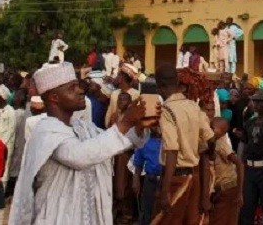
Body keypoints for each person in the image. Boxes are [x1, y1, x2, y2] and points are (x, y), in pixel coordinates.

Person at [9, 62, 158, 225]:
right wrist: (125, 123)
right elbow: (79, 156)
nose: (80, 90)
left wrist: (139, 126)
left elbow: (113, 144)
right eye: (72, 88)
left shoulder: (84, 128)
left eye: (78, 85)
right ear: (54, 98)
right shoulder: (45, 131)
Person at [154, 64, 215, 225]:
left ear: (160, 86)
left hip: (176, 178)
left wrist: (165, 190)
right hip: (194, 178)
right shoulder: (193, 106)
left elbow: (172, 150)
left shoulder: (166, 110)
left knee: (168, 220)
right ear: (177, 82)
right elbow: (210, 138)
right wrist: (210, 154)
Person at [239, 90, 263, 225]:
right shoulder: (249, 122)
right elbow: (245, 144)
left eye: (259, 102)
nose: (255, 104)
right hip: (250, 168)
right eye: (254, 101)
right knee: (247, 207)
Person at [209, 117, 244, 225]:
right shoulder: (214, 143)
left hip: (227, 188)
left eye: (212, 128)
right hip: (223, 189)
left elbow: (239, 164)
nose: (209, 130)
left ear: (223, 131)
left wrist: (240, 192)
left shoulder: (221, 144)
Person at [132, 126, 162, 225]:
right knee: (147, 211)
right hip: (150, 179)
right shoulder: (144, 140)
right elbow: (138, 162)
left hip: (167, 180)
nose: (156, 126)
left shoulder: (170, 139)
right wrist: (136, 179)